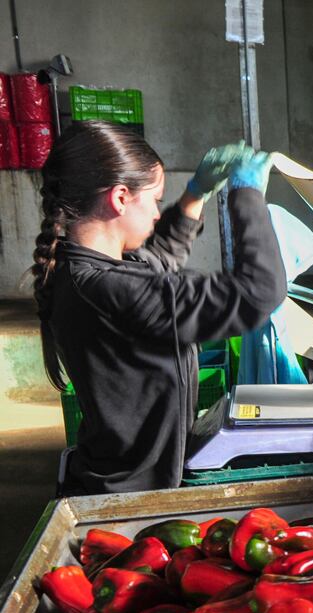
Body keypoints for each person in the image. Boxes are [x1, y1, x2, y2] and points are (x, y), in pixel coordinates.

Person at [30, 120, 287, 494]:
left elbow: (156, 259)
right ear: (120, 198)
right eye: (154, 200)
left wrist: (194, 197)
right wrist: (246, 196)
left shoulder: (81, 270)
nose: (156, 213)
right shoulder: (107, 288)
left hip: (116, 476)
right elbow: (258, 292)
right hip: (131, 494)